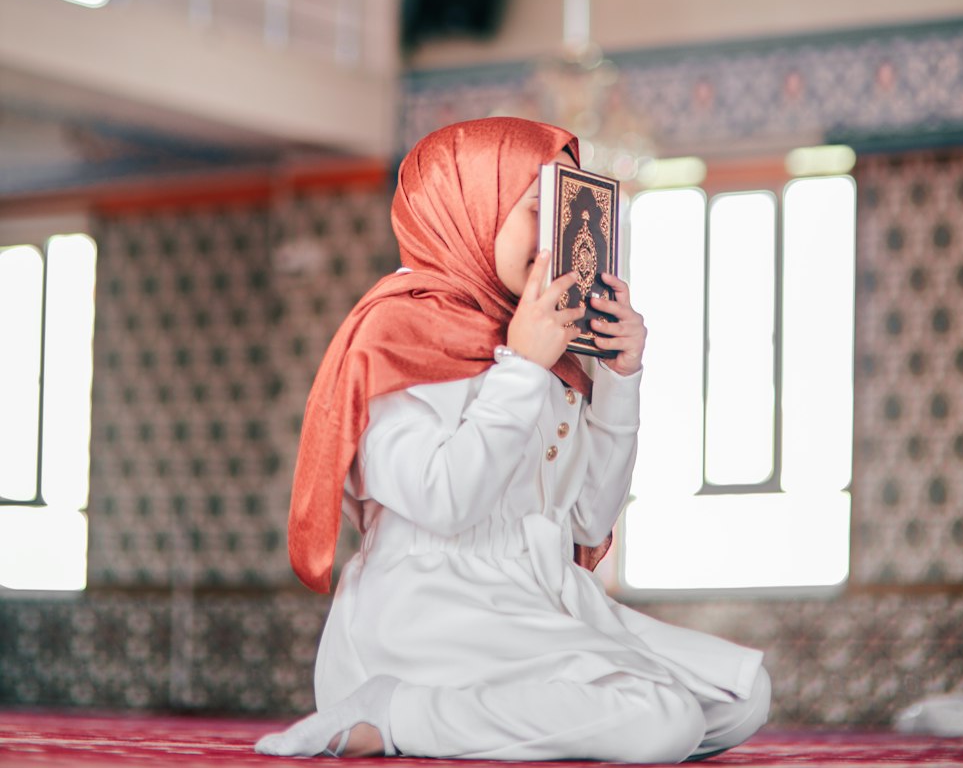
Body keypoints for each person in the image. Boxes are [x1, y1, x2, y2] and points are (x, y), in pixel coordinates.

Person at [256, 118, 770, 762]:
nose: (560, 233)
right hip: (429, 613)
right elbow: (446, 501)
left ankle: (523, 722)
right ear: (468, 206)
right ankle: (393, 709)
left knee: (743, 696)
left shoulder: (544, 341)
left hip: (538, 596)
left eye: (563, 207)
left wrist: (618, 378)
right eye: (536, 209)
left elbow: (588, 521)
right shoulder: (394, 330)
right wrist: (522, 369)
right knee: (661, 720)